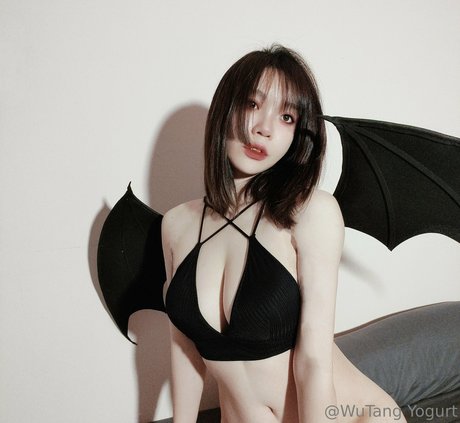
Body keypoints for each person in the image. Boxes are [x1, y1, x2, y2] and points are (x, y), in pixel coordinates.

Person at [161, 45, 405, 423]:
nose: (265, 128)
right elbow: (184, 348)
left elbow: (313, 360)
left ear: (298, 135)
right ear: (226, 108)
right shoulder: (176, 224)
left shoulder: (310, 213)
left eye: (287, 117)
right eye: (252, 104)